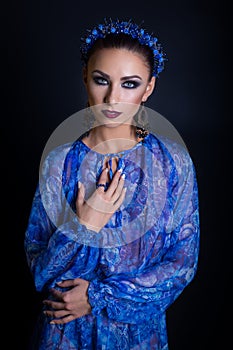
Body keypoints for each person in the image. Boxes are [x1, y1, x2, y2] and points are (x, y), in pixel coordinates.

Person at [24, 18, 200, 350]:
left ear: (148, 88)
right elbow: (42, 275)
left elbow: (182, 264)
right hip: (65, 335)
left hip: (136, 336)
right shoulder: (58, 162)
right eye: (101, 80)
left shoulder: (173, 162)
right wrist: (84, 224)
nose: (112, 97)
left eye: (129, 84)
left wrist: (99, 296)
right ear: (85, 78)